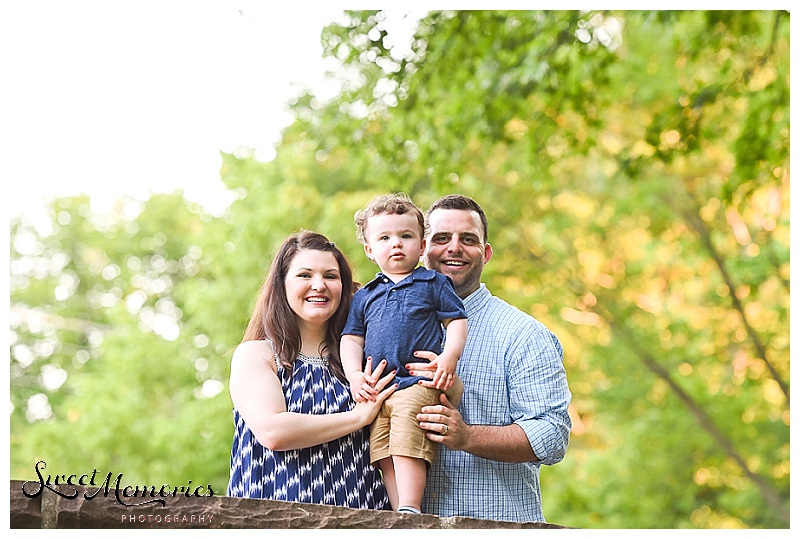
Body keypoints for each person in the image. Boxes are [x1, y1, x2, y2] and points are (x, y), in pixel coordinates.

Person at [406, 194, 572, 523]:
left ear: (486, 253)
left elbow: (552, 436)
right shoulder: (384, 323)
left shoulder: (523, 335)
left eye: (468, 239)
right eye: (442, 238)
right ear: (422, 248)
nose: (454, 248)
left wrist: (466, 436)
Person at [226, 230, 397, 509]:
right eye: (305, 275)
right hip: (277, 519)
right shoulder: (257, 355)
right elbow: (274, 432)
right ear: (281, 284)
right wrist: (358, 417)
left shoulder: (358, 363)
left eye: (330, 276)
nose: (319, 285)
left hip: (363, 516)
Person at [341, 193, 468, 515]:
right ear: (370, 250)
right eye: (384, 237)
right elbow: (351, 339)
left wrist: (449, 358)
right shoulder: (365, 295)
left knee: (407, 442)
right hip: (379, 388)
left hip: (416, 382)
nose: (396, 244)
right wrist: (355, 376)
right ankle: (401, 513)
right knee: (383, 449)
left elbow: (456, 321)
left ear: (422, 245)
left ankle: (411, 506)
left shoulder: (433, 282)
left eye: (406, 236)